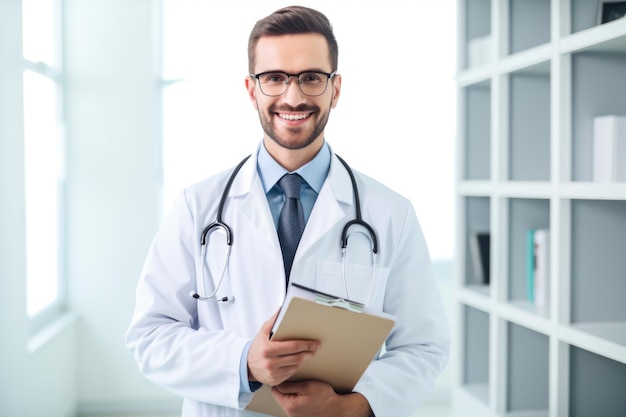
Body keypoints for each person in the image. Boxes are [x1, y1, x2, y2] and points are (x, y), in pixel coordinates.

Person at [126, 5, 450, 417]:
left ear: (335, 89)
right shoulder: (197, 207)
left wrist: (350, 407)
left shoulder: (390, 213)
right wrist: (243, 360)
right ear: (251, 89)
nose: (292, 97)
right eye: (274, 78)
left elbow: (424, 346)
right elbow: (150, 336)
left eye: (311, 78)